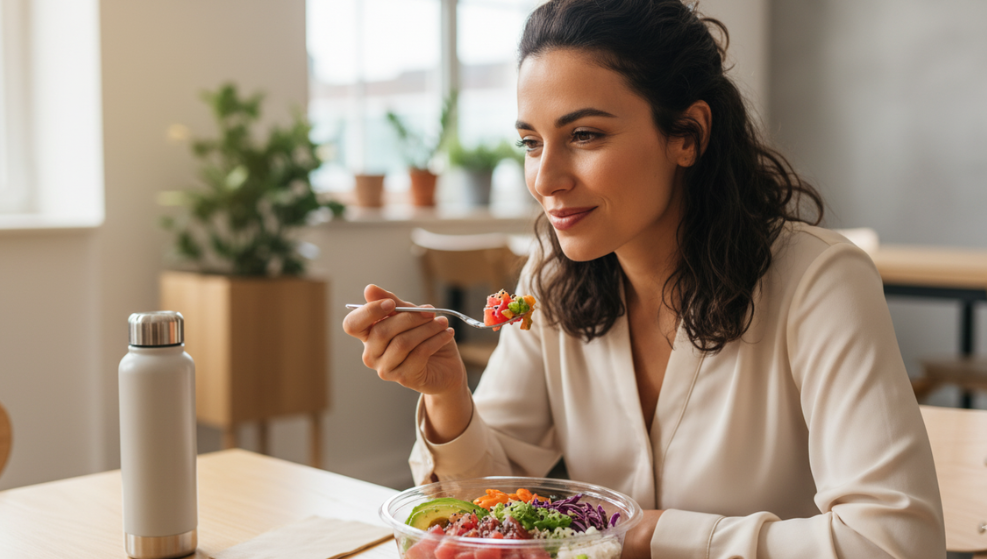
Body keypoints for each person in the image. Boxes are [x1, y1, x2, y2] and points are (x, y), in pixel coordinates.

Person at [342, 0, 945, 557]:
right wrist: (447, 393)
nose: (545, 178)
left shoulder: (820, 282)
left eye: (584, 135)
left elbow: (894, 543)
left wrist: (651, 534)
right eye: (531, 142)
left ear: (687, 135)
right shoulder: (550, 281)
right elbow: (487, 512)